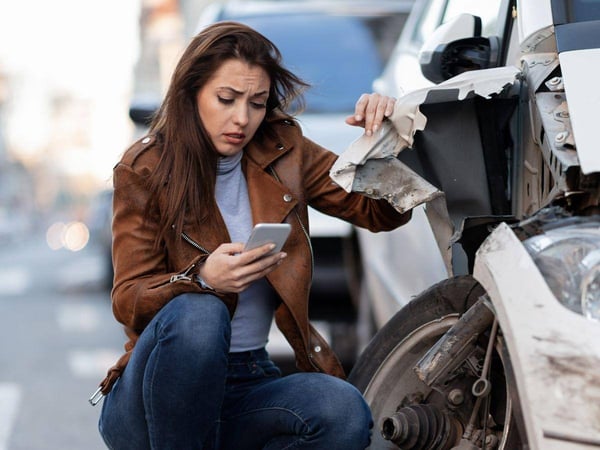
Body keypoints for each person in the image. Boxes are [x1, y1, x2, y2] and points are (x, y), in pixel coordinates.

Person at [95, 21, 411, 450]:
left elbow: (379, 213)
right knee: (200, 315)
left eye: (257, 103)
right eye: (226, 99)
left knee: (342, 411)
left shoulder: (284, 150)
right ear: (192, 95)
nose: (242, 118)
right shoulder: (146, 167)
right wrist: (204, 278)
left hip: (248, 381)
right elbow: (127, 297)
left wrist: (387, 140)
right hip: (154, 396)